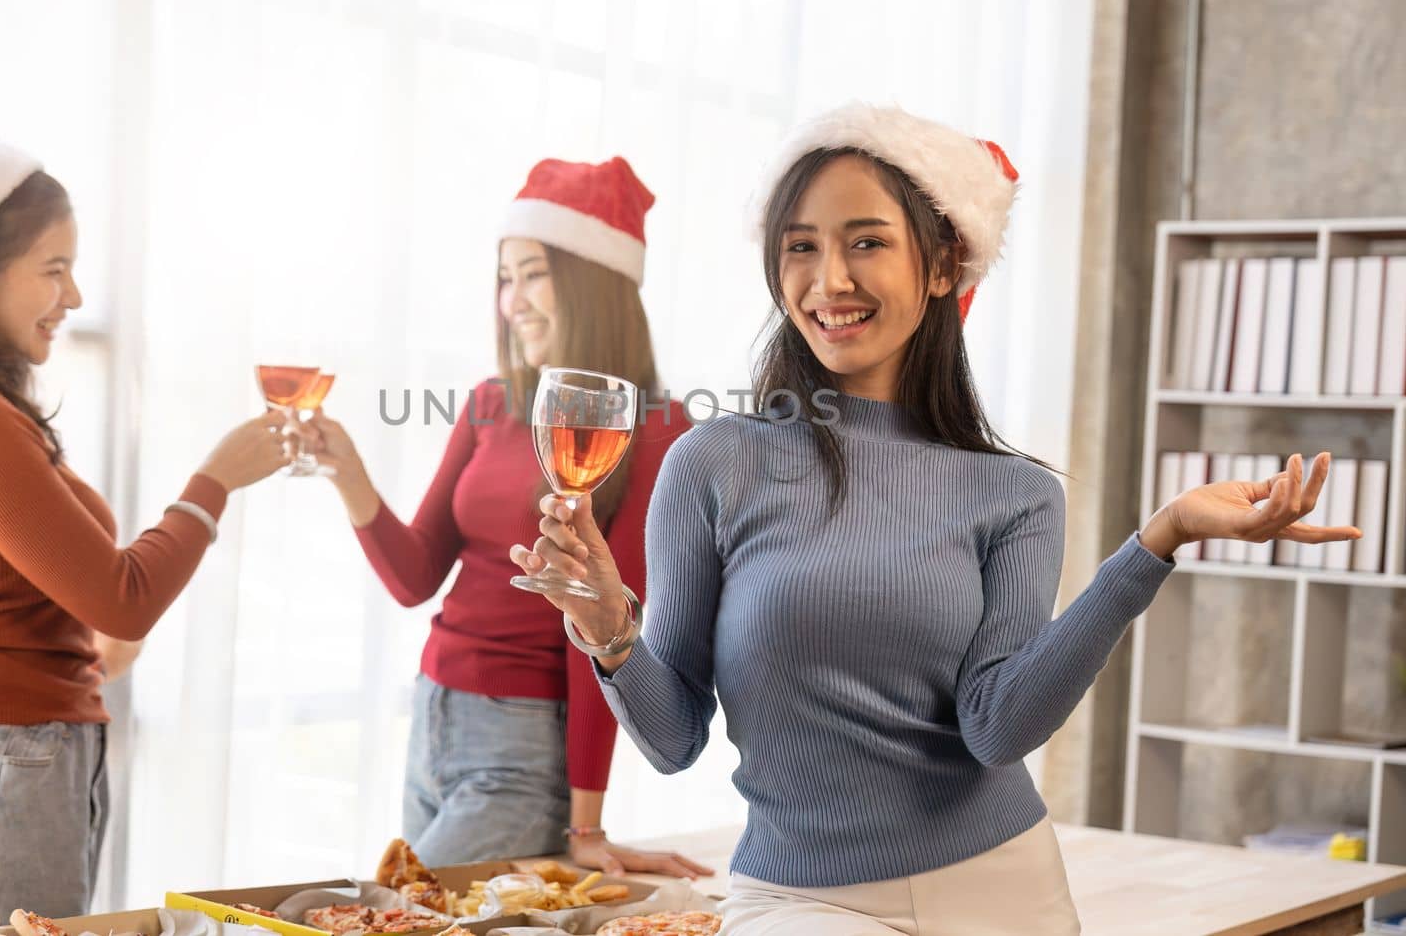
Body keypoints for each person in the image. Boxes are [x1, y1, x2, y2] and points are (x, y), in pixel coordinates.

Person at [512, 104, 1360, 934]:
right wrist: (608, 630)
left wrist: (1155, 541)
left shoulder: (1018, 495)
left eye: (866, 241)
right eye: (801, 246)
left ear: (946, 265)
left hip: (1001, 886)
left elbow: (998, 729)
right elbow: (672, 740)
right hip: (801, 901)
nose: (829, 279)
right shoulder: (715, 463)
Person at [0, 132, 289, 936]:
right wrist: (215, 479)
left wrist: (86, 650)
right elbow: (121, 598)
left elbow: (51, 608)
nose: (73, 296)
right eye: (53, 268)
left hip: (2, 763)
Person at [300, 157, 708, 878]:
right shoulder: (492, 401)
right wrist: (346, 469)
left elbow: (601, 631)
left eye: (532, 273)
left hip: (520, 748)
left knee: (391, 920)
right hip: (432, 719)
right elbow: (415, 574)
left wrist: (587, 823)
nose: (510, 300)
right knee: (403, 917)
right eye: (503, 277)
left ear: (590, 282)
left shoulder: (657, 432)